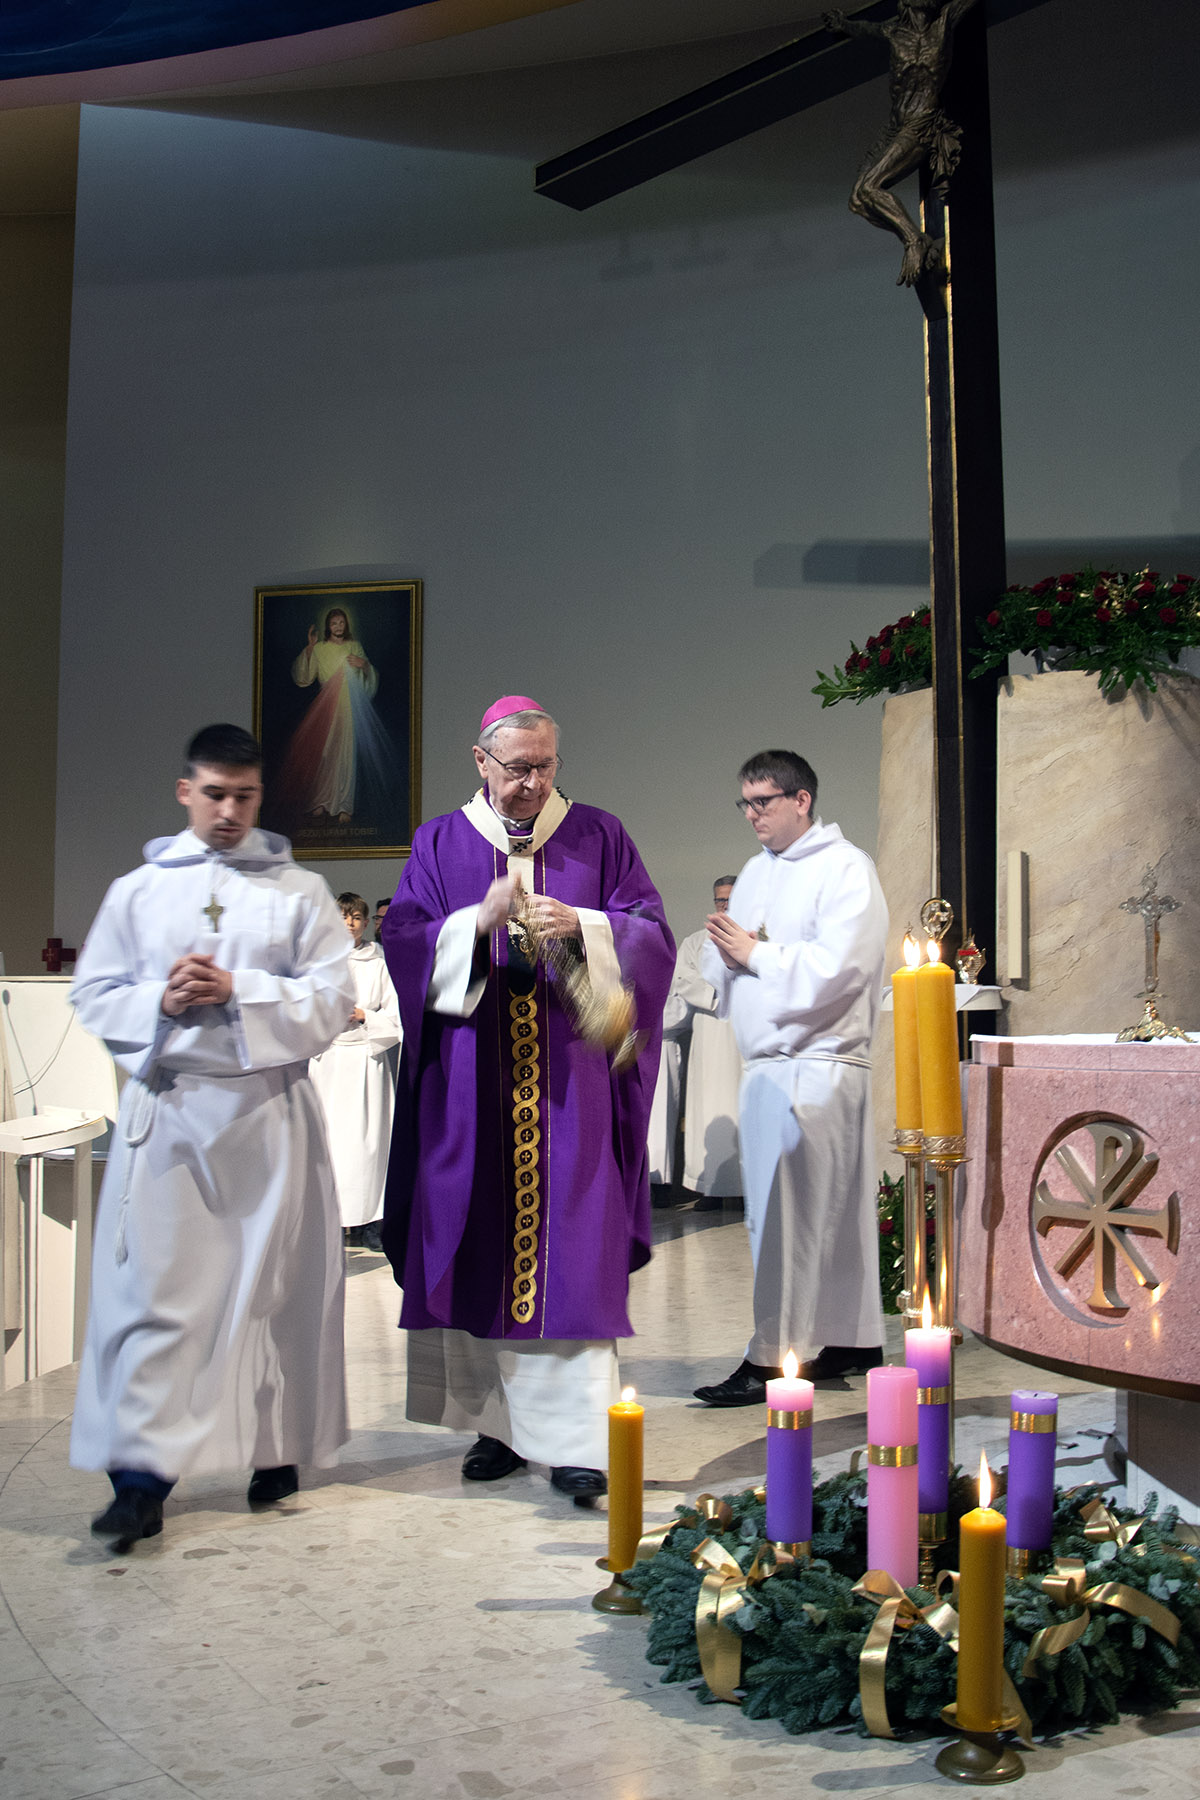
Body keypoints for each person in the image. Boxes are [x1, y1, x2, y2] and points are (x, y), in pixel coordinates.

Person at [380, 696, 674, 1497]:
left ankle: (578, 1445)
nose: (533, 784)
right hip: (472, 1089)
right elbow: (404, 940)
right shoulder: (440, 842)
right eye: (517, 768)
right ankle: (499, 1428)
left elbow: (651, 935)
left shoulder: (600, 835)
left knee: (575, 1258)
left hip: (571, 1090)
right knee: (477, 1246)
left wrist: (585, 925)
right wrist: (472, 925)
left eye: (546, 767)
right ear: (481, 762)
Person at [69, 724, 354, 1547]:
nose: (229, 812)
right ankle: (140, 1482)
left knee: (274, 1294)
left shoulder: (298, 891)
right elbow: (93, 992)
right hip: (172, 1113)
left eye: (245, 796)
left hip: (268, 1113)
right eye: (215, 794)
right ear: (185, 791)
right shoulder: (137, 892)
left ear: (261, 796)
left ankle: (274, 1447)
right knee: (155, 1296)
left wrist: (240, 989)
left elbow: (333, 999)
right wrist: (159, 1001)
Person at [694, 750, 888, 1405]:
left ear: (801, 800)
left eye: (764, 802)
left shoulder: (846, 868)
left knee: (789, 1220)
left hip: (819, 1062)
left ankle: (773, 1357)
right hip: (769, 1066)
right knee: (815, 1219)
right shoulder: (755, 872)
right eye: (744, 803)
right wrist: (728, 957)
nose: (752, 815)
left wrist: (755, 953)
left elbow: (844, 968)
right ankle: (849, 1341)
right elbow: (729, 961)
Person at [310, 892, 402, 1254]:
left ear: (366, 923)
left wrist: (365, 1015)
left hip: (366, 1056)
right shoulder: (320, 959)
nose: (349, 924)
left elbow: (395, 1014)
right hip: (330, 1058)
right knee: (329, 1142)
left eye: (356, 918)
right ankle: (331, 1222)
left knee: (369, 1145)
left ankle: (372, 1222)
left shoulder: (379, 961)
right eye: (343, 917)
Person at [672, 876, 743, 1207]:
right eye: (720, 900)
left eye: (730, 899)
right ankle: (710, 1187)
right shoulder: (695, 942)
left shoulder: (754, 938)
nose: (724, 906)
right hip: (708, 1030)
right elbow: (683, 979)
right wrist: (719, 995)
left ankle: (742, 1189)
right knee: (707, 1105)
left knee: (740, 1106)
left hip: (741, 1033)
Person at [285, 604, 381, 822]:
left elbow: (368, 677)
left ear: (346, 625)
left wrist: (364, 666)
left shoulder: (354, 646)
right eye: (333, 623)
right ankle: (320, 801)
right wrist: (310, 648)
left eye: (341, 622)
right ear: (328, 626)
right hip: (326, 705)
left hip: (348, 706)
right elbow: (304, 677)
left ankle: (343, 805)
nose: (338, 626)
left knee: (345, 754)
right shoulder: (320, 648)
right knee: (325, 752)